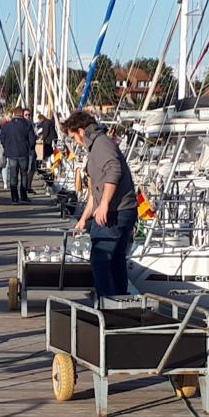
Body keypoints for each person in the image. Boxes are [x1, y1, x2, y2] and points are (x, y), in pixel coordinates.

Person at [65, 111, 137, 297]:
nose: (74, 141)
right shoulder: (98, 144)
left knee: (101, 259)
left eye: (73, 136)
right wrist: (83, 218)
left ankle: (108, 303)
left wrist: (104, 204)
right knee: (115, 259)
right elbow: (94, 190)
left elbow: (114, 171)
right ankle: (119, 299)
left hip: (115, 211)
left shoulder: (101, 144)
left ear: (80, 131)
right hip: (121, 209)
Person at [0, 110, 36, 203]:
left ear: (13, 114)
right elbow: (32, 140)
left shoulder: (7, 126)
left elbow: (2, 138)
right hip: (24, 153)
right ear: (22, 114)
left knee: (13, 175)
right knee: (24, 174)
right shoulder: (27, 124)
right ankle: (23, 196)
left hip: (12, 154)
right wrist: (29, 147)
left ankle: (14, 197)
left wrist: (7, 147)